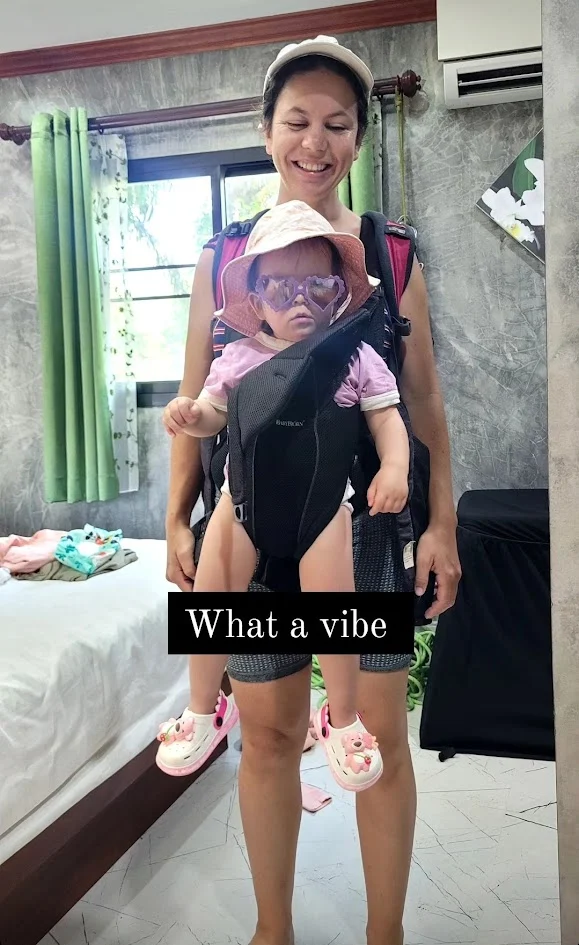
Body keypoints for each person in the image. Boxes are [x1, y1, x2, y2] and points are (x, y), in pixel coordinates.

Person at [165, 34, 461, 945]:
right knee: (265, 735)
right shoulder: (222, 258)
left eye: (337, 124)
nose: (314, 140)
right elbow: (198, 388)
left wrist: (441, 520)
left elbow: (420, 402)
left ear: (358, 142)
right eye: (296, 120)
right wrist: (175, 512)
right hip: (247, 526)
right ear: (266, 131)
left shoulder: (392, 255)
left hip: (362, 529)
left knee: (374, 740)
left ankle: (384, 932)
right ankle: (272, 928)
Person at [157, 201, 410, 791]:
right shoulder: (238, 359)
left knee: (338, 610)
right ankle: (204, 708)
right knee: (215, 593)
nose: (301, 301)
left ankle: (341, 717)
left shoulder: (356, 357)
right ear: (257, 296)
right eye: (283, 288)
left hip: (321, 510)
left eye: (319, 287)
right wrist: (187, 414)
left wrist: (395, 467)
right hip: (241, 505)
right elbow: (210, 418)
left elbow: (389, 420)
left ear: (339, 294)